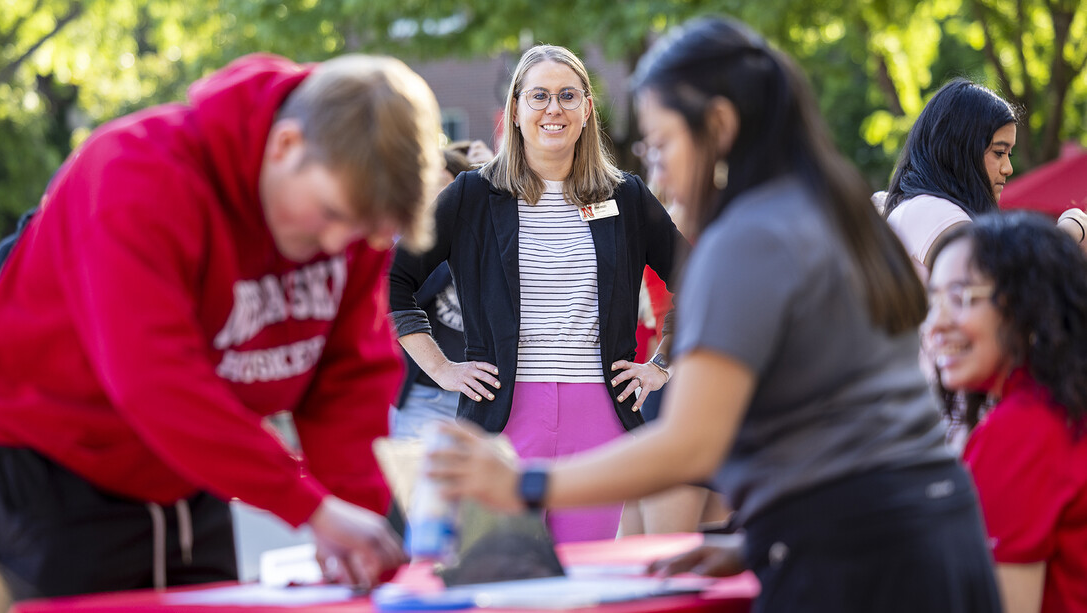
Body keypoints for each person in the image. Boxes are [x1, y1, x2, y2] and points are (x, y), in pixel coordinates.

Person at [427, 17, 1001, 611]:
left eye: (662, 145)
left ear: (719, 127)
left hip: (855, 562)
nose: (658, 170)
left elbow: (691, 444)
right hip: (926, 536)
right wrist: (753, 544)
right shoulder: (837, 209)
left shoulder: (748, 238)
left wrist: (523, 482)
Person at [0, 52, 444, 601]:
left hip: (194, 467)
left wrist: (354, 520)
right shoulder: (134, 175)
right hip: (59, 464)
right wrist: (311, 507)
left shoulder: (348, 214)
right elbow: (157, 380)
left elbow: (346, 377)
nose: (336, 246)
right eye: (330, 215)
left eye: (361, 233)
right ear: (285, 146)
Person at [388, 44, 684, 544]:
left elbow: (702, 282)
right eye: (539, 96)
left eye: (568, 96)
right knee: (502, 576)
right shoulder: (473, 196)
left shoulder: (626, 196)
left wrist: (660, 366)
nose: (554, 109)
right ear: (516, 110)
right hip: (502, 414)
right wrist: (440, 367)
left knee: (583, 582)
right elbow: (392, 281)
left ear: (587, 108)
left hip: (599, 415)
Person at [925, 212, 1087, 613]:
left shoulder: (1022, 431)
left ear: (1026, 308)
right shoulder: (1060, 406)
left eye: (962, 298)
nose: (935, 326)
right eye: (933, 300)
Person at [878, 78, 1086, 281]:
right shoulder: (931, 210)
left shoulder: (925, 207)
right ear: (959, 150)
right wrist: (1070, 230)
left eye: (1009, 154)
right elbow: (1000, 281)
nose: (1008, 168)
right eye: (998, 152)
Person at [389, 143, 491, 440]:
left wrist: (493, 173)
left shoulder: (485, 235)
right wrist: (441, 368)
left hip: (484, 399)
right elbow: (399, 294)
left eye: (443, 186)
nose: (435, 197)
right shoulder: (411, 243)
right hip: (424, 395)